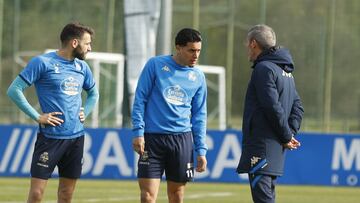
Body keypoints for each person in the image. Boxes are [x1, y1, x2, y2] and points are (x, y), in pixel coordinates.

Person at [7, 22, 99, 203]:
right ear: (74, 43)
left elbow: (94, 93)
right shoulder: (43, 62)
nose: (90, 48)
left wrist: (85, 112)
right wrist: (37, 116)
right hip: (49, 139)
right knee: (36, 194)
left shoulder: (82, 68)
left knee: (66, 194)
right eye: (87, 43)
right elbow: (14, 90)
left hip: (76, 139)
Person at [131, 28, 208, 203]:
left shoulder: (198, 77)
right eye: (191, 50)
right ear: (178, 47)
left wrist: (201, 149)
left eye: (198, 51)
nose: (195, 55)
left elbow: (199, 115)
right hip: (152, 139)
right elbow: (140, 99)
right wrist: (138, 132)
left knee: (177, 196)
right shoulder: (155, 65)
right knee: (148, 196)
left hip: (181, 141)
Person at [236, 24, 304, 203]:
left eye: (246, 44)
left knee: (263, 199)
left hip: (262, 147)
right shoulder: (285, 72)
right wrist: (289, 134)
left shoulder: (263, 68)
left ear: (253, 43)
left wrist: (287, 136)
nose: (246, 49)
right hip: (275, 149)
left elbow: (272, 106)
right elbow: (298, 107)